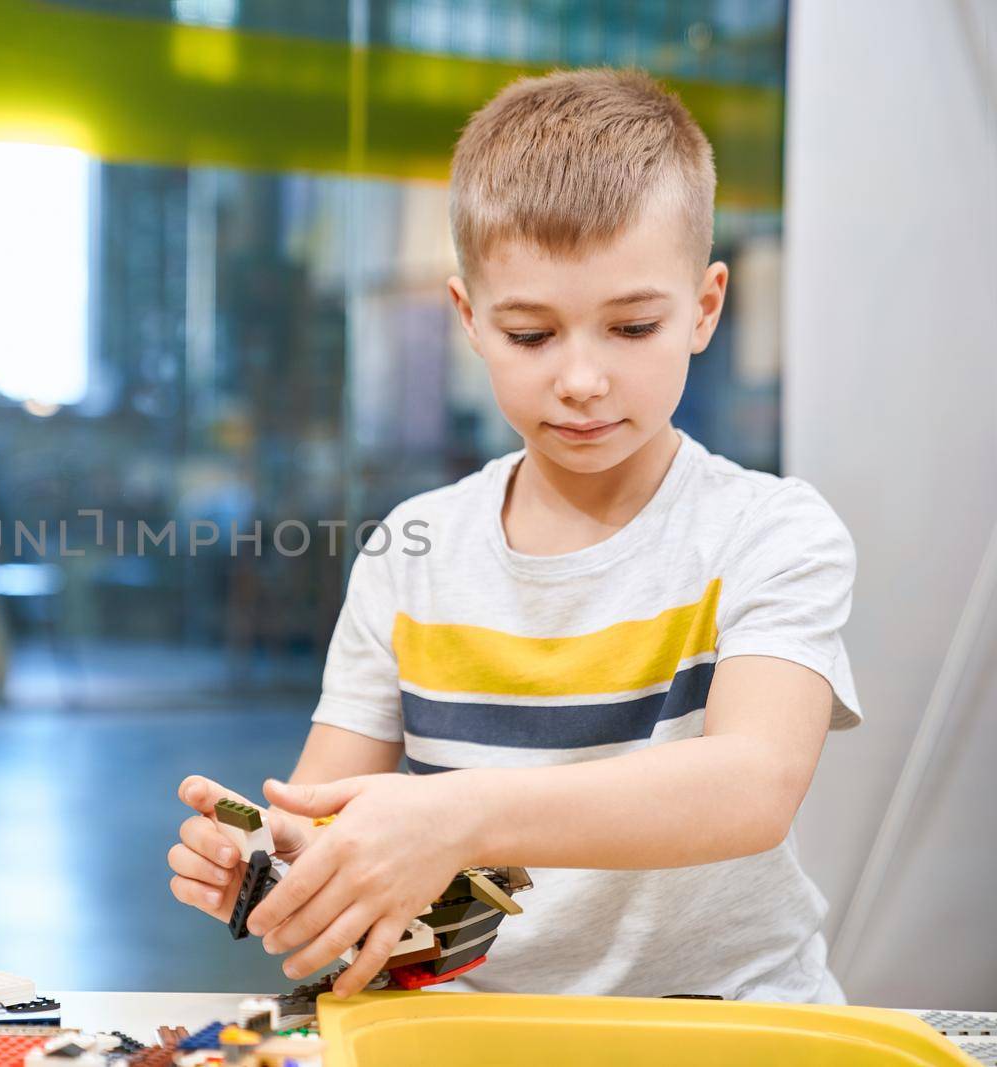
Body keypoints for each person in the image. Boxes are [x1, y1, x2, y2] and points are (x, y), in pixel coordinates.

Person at [165, 67, 860, 1003]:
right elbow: (324, 812)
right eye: (533, 335)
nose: (580, 378)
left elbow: (752, 786)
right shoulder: (412, 551)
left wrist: (460, 814)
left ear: (703, 308)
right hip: (476, 1031)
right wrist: (271, 861)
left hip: (734, 1023)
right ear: (470, 321)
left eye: (633, 326)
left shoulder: (770, 530)